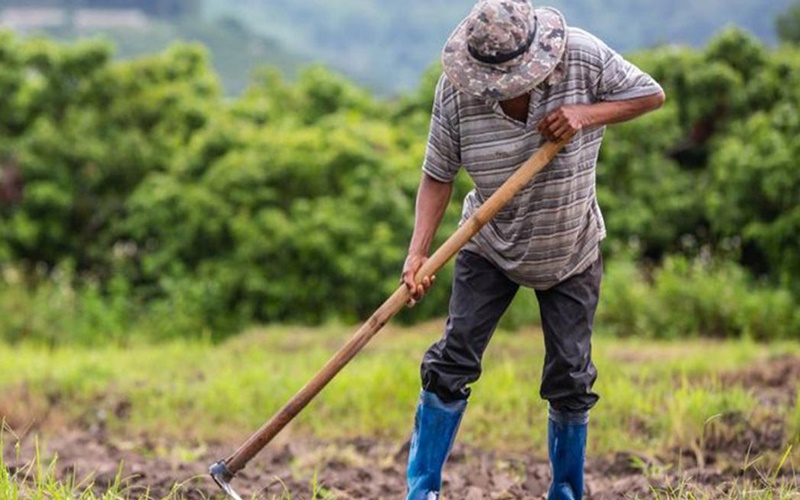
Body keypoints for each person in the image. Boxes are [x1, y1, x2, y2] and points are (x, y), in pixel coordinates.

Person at [401, 1, 665, 499]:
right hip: (489, 244)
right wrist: (417, 254)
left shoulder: (582, 57)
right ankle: (422, 491)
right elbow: (437, 174)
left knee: (570, 374)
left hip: (571, 245)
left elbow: (650, 95)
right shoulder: (456, 92)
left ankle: (566, 491)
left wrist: (585, 114)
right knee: (452, 361)